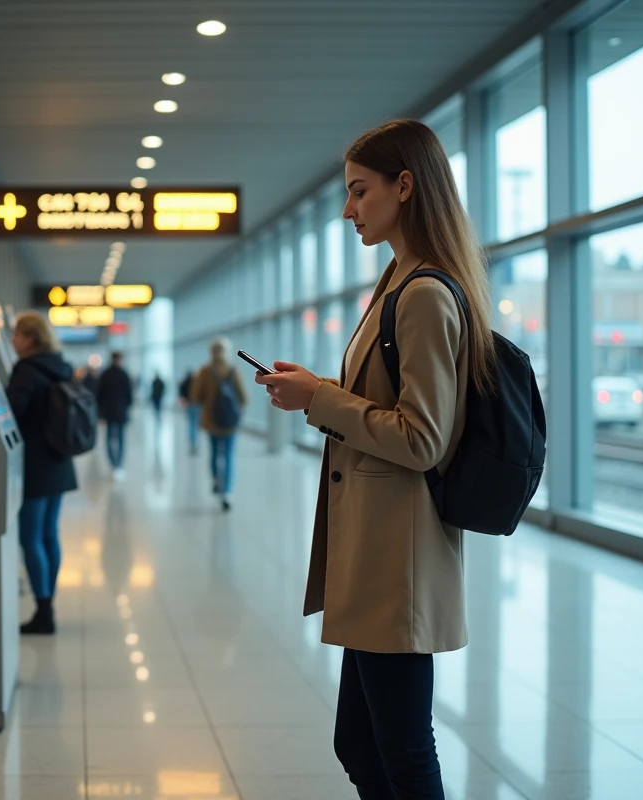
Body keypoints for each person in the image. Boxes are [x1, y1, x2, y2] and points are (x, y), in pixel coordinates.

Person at [257, 119, 493, 799]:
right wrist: (320, 390)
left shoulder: (422, 294)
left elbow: (424, 438)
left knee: (399, 752)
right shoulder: (400, 280)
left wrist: (319, 402)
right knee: (361, 744)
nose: (348, 208)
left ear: (406, 186)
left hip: (400, 558)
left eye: (360, 191)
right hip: (380, 550)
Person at [6, 311, 79, 635]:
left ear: (31, 338)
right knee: (49, 534)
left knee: (30, 537)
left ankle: (43, 610)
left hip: (36, 464)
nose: (13, 340)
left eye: (18, 334)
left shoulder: (27, 370)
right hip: (59, 460)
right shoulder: (60, 366)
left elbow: (11, 412)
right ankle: (47, 603)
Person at [192, 338, 247, 511]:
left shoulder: (206, 371)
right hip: (230, 421)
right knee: (229, 455)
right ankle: (227, 492)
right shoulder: (233, 370)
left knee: (215, 453)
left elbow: (195, 396)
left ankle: (217, 480)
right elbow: (243, 396)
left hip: (212, 420)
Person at [97, 352, 132, 479]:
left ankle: (113, 464)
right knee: (120, 438)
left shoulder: (105, 375)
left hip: (109, 411)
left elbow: (99, 395)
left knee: (110, 438)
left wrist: (100, 413)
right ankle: (119, 464)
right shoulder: (124, 374)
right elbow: (129, 395)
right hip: (121, 411)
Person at [178, 371, 199, 454]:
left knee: (191, 424)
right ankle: (194, 441)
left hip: (189, 404)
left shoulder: (185, 382)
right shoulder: (196, 382)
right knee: (194, 424)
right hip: (195, 405)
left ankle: (192, 441)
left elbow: (181, 392)